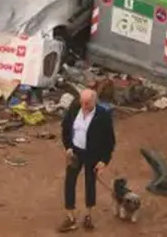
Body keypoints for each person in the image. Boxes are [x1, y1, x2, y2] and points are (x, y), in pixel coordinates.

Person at [59, 89, 116, 232]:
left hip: (93, 155)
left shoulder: (103, 115)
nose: (84, 106)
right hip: (75, 153)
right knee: (69, 182)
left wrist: (104, 160)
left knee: (90, 183)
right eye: (82, 102)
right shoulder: (74, 108)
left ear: (94, 101)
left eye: (87, 103)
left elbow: (110, 141)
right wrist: (68, 147)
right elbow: (65, 128)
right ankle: (70, 217)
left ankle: (88, 216)